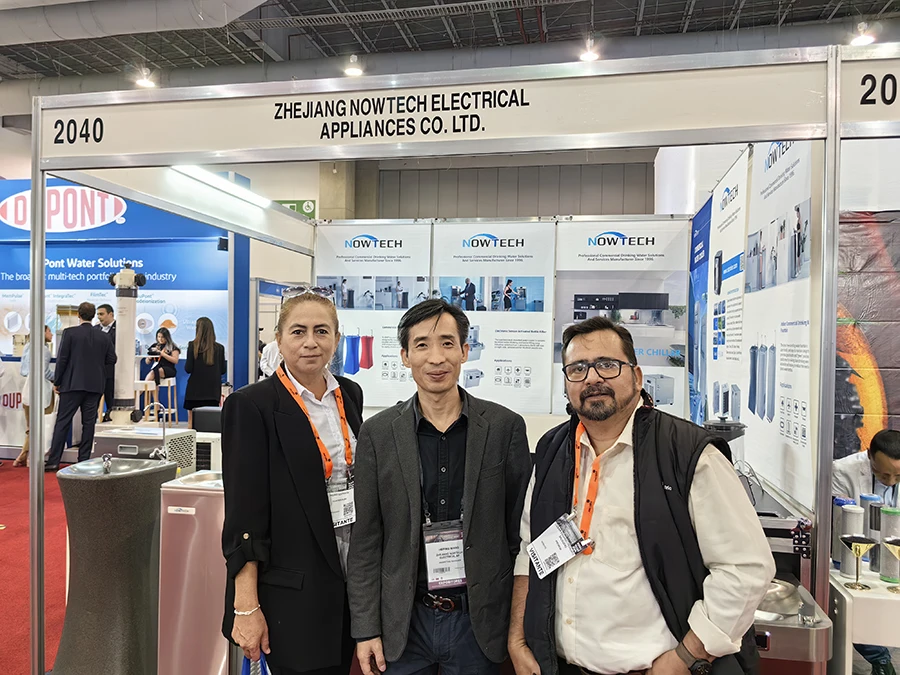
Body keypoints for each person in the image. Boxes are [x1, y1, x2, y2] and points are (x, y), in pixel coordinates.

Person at [509, 317, 775, 675]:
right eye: (577, 369)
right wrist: (518, 638)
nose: (592, 378)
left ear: (636, 377)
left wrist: (687, 657)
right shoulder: (552, 450)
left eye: (607, 365)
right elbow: (531, 550)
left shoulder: (688, 454)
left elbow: (746, 569)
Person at [349, 299, 532, 675]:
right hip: (404, 623)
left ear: (464, 351)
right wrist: (366, 629)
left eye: (448, 343)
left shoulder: (504, 428)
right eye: (422, 345)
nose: (436, 358)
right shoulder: (378, 434)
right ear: (405, 356)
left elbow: (518, 535)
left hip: (477, 623)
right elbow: (365, 541)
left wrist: (517, 627)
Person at [222, 291, 364, 675]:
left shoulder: (349, 394)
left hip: (346, 581)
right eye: (298, 331)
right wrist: (246, 606)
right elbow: (244, 516)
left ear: (336, 338)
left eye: (322, 331)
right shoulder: (252, 405)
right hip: (289, 593)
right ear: (279, 339)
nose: (310, 342)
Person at [833, 430, 900, 675]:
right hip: (854, 554)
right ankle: (881, 661)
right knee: (855, 605)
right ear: (869, 456)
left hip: (895, 555)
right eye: (883, 474)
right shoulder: (843, 470)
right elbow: (840, 522)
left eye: (898, 476)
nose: (890, 481)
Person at [45, 302, 117, 471]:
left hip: (72, 384)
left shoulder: (70, 333)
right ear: (93, 315)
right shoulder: (103, 336)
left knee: (63, 422)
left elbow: (62, 359)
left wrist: (57, 382)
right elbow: (112, 359)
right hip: (95, 386)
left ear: (78, 314)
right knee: (89, 423)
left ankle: (54, 460)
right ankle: (83, 459)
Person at [15, 325, 54, 467]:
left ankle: (23, 454)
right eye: (49, 331)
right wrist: (58, 377)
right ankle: (31, 457)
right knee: (43, 425)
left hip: (28, 389)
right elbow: (45, 372)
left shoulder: (27, 347)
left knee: (31, 425)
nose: (52, 334)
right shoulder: (44, 350)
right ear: (42, 333)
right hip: (42, 390)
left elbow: (24, 370)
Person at [184, 317, 227, 428]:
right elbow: (223, 370)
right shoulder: (220, 348)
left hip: (194, 391)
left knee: (191, 423)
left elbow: (188, 368)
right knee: (210, 424)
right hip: (212, 392)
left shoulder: (192, 346)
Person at [94, 303, 116, 422]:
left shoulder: (120, 329)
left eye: (101, 314)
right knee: (93, 400)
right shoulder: (95, 329)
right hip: (95, 371)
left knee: (110, 397)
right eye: (97, 314)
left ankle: (110, 417)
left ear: (110, 314)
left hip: (112, 371)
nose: (99, 317)